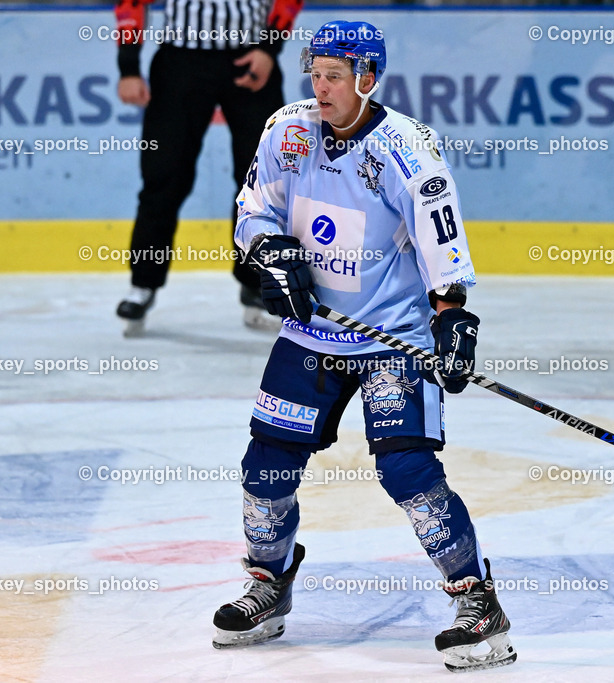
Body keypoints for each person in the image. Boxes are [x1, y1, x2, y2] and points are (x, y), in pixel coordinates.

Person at [210, 20, 516, 672]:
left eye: (334, 76)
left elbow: (442, 244)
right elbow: (252, 208)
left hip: (391, 339)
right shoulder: (286, 130)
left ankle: (477, 599)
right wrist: (269, 252)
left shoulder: (408, 150)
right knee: (265, 466)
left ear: (368, 79)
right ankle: (269, 580)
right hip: (311, 333)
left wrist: (452, 317)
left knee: (406, 468)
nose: (319, 87)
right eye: (314, 72)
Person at [112, 0, 303, 334]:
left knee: (264, 182)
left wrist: (270, 48)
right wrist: (128, 65)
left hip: (250, 54)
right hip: (181, 60)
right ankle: (143, 283)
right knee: (163, 177)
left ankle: (256, 283)